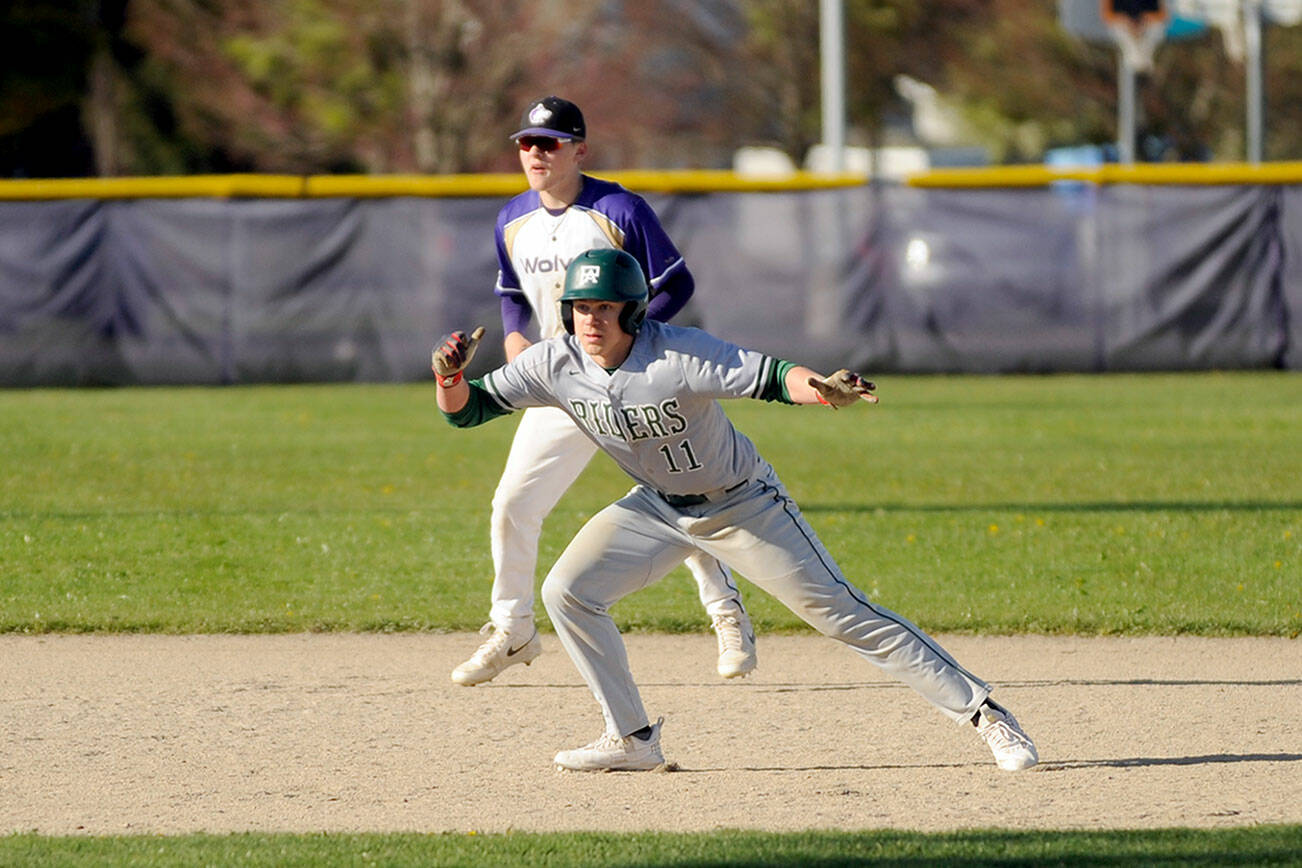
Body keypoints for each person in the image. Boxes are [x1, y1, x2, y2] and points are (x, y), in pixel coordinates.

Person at [432, 248, 1040, 773]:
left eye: (605, 307)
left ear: (632, 311)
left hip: (742, 504)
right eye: (581, 307)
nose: (591, 319)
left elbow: (774, 376)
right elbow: (468, 410)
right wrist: (448, 377)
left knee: (842, 614)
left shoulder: (678, 354)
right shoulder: (555, 363)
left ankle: (986, 714)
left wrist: (821, 388)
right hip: (655, 508)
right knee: (567, 591)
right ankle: (633, 739)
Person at [450, 96, 756, 687]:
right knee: (514, 504)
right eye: (526, 144)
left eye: (550, 143)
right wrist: (516, 339)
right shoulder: (512, 217)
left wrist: (632, 338)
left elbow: (676, 282)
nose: (535, 153)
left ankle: (727, 612)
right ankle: (512, 629)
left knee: (678, 496)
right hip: (564, 384)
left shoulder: (618, 208)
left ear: (579, 150)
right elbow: (512, 292)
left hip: (636, 380)